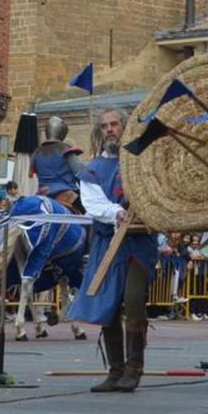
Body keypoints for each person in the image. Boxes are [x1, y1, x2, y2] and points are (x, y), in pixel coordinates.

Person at [67, 108, 158, 393]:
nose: (109, 130)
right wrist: (118, 213)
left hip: (138, 243)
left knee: (132, 301)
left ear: (124, 127)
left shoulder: (143, 162)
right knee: (107, 306)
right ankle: (115, 371)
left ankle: (134, 369)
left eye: (114, 124)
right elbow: (94, 205)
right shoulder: (91, 170)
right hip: (108, 242)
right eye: (104, 126)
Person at [30, 116, 84, 207]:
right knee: (91, 214)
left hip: (43, 193)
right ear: (62, 133)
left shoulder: (36, 153)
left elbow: (32, 173)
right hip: (66, 193)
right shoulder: (66, 150)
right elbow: (79, 173)